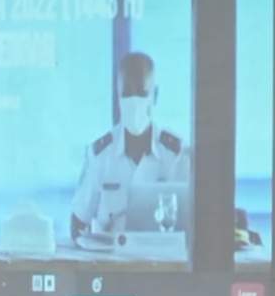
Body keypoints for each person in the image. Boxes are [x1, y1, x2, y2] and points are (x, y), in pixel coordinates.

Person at [70, 52, 190, 239]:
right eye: (126, 94)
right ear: (117, 96)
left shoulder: (177, 155)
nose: (134, 102)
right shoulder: (100, 155)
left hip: (161, 256)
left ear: (155, 96)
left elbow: (192, 222)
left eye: (142, 93)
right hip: (111, 256)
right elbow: (79, 222)